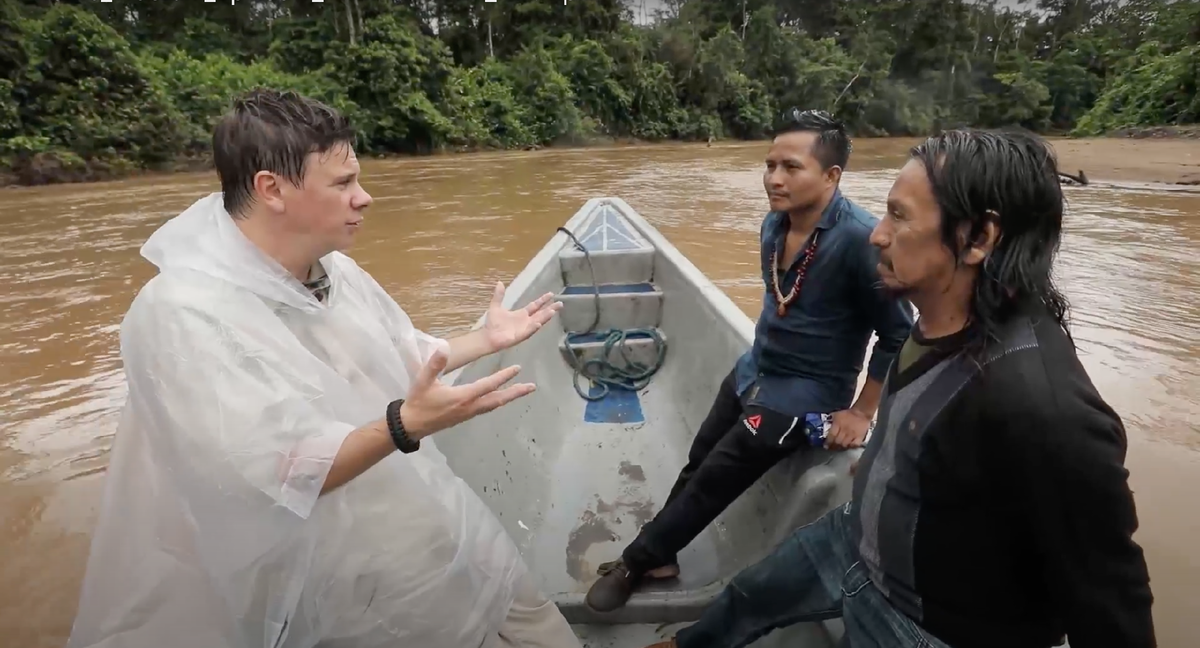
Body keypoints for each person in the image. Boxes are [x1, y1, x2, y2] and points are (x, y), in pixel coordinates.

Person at [66, 89, 583, 648]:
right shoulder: (180, 314)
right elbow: (277, 473)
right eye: (342, 184)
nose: (364, 198)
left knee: (529, 616)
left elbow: (404, 353)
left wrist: (486, 338)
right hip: (330, 570)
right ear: (272, 189)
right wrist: (404, 425)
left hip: (423, 508)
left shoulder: (331, 269)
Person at [638, 129, 1157, 648]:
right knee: (746, 597)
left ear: (978, 237)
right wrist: (885, 453)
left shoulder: (1044, 409)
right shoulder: (934, 315)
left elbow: (1112, 603)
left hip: (921, 623)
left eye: (900, 216)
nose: (877, 235)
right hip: (853, 537)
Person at [586, 109, 914, 612]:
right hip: (754, 369)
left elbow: (898, 334)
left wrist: (862, 412)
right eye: (769, 165)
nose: (774, 179)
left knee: (717, 474)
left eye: (791, 167)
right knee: (699, 458)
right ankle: (662, 556)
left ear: (831, 176)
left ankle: (637, 559)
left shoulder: (858, 241)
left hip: (806, 391)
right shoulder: (772, 224)